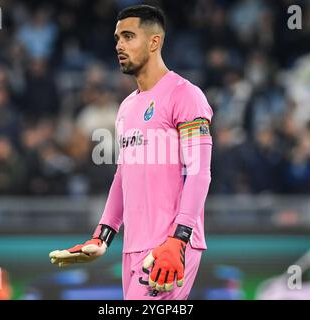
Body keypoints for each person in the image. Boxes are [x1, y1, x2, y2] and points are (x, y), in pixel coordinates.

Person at [49, 5, 213, 300]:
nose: (119, 45)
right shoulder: (126, 107)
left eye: (128, 36)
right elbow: (123, 176)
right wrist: (103, 235)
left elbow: (199, 172)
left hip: (169, 248)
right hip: (133, 247)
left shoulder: (185, 95)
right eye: (117, 38)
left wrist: (179, 240)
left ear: (154, 42)